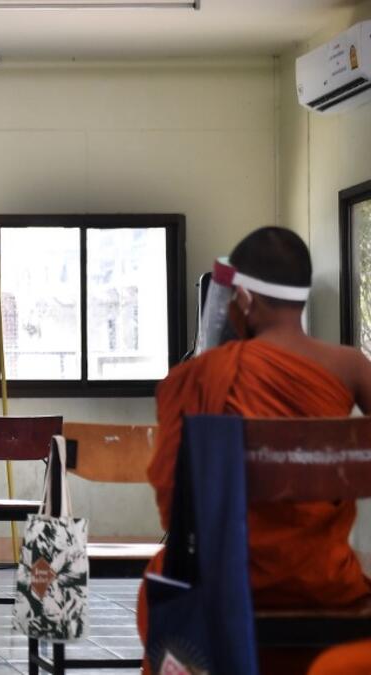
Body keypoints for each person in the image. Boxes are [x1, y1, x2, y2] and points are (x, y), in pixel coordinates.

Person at [141, 227, 371, 674]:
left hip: (224, 582)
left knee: (159, 575)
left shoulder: (205, 374)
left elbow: (175, 507)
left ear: (241, 300)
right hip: (326, 583)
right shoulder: (351, 366)